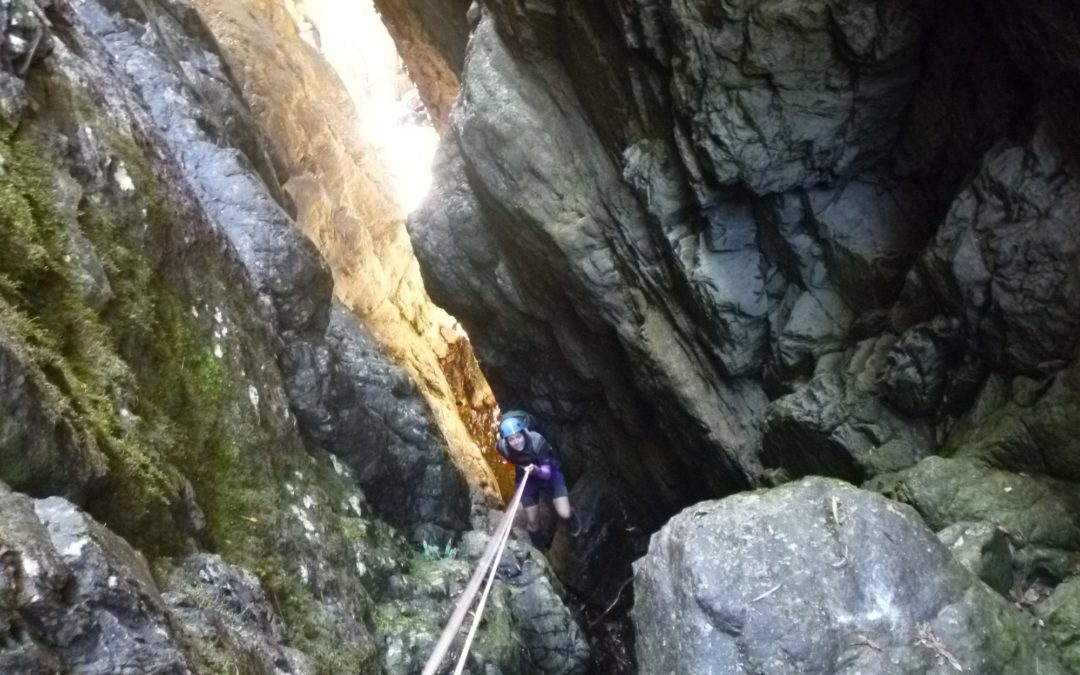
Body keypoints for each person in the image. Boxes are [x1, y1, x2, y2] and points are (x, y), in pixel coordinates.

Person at [496, 416, 580, 549]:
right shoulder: (502, 447)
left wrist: (535, 470)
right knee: (532, 520)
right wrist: (521, 467)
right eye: (511, 439)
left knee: (563, 512)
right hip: (526, 476)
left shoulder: (537, 441)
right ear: (506, 440)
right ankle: (540, 549)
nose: (516, 442)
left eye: (518, 436)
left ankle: (570, 514)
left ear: (523, 433)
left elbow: (546, 475)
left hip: (548, 471)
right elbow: (510, 459)